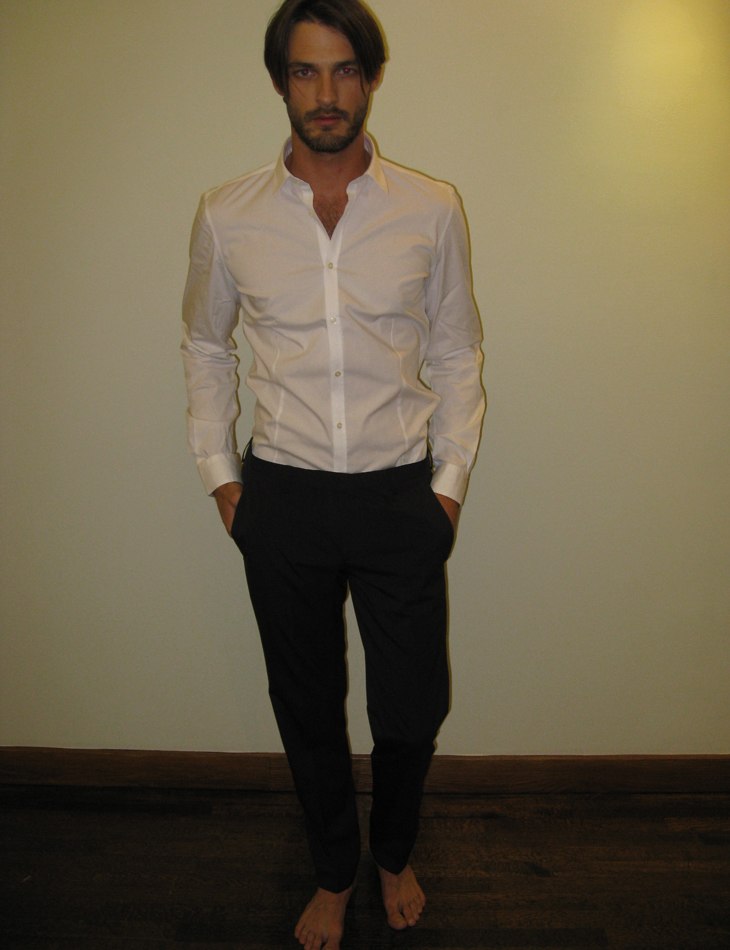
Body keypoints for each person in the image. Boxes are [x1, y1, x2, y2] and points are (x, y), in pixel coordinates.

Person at [181, 1, 484, 946]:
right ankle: (331, 869)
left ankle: (392, 852)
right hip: (284, 495)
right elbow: (205, 345)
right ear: (281, 81)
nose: (326, 92)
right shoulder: (227, 214)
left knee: (412, 707)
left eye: (345, 69)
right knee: (306, 702)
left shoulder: (430, 208)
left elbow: (458, 350)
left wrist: (447, 488)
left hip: (400, 493)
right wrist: (223, 478)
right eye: (306, 71)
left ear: (371, 78)